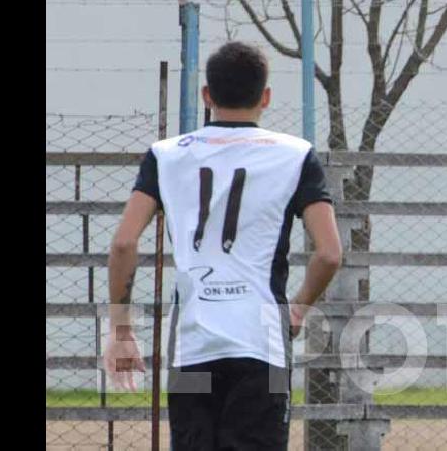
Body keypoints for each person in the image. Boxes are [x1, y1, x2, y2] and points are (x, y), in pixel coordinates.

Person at [103, 41, 342, 450]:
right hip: (260, 343)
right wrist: (298, 308)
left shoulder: (166, 156)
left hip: (193, 343)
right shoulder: (295, 155)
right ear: (265, 97)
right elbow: (329, 253)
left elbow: (125, 242)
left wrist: (122, 328)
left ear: (207, 96)